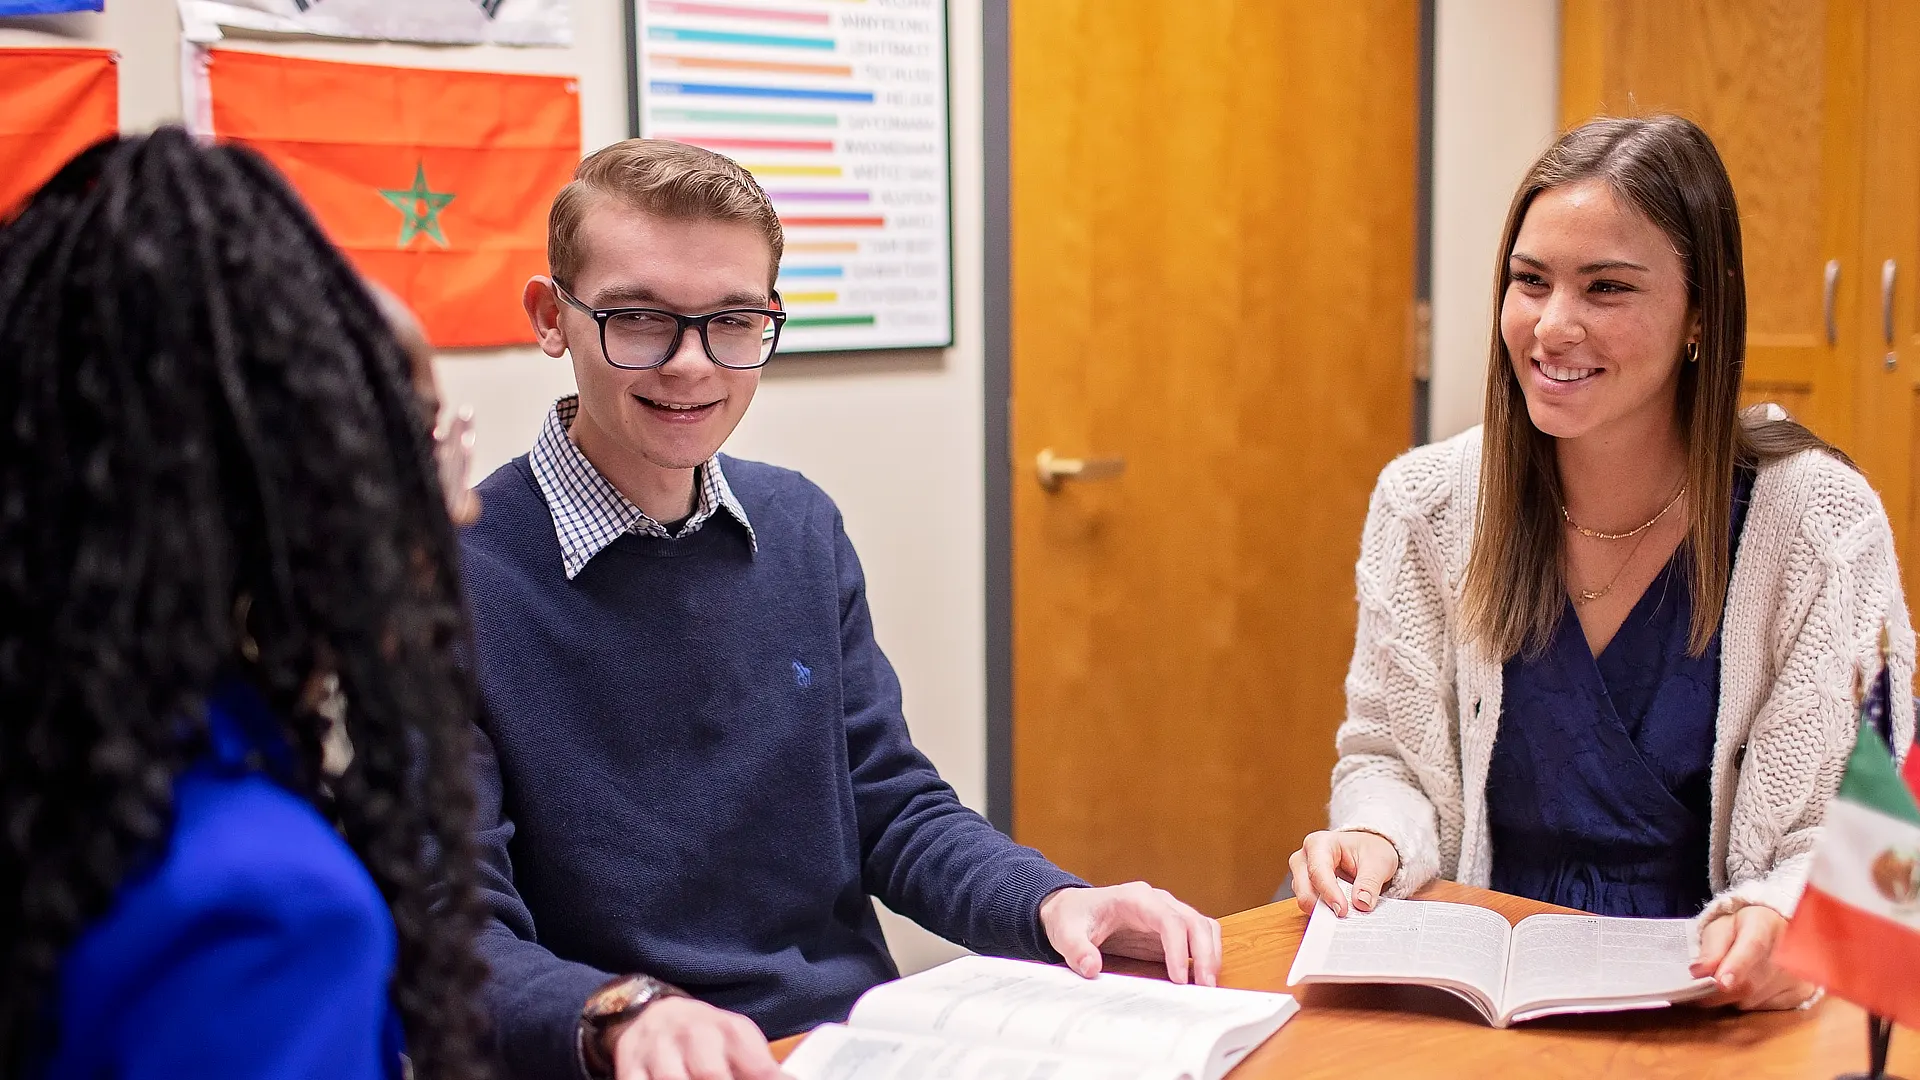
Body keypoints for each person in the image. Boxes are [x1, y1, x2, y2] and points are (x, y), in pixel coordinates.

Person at [461, 138, 1221, 1080]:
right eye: (641, 319)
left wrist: (1050, 904)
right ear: (552, 316)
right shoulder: (452, 579)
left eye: (733, 321)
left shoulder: (798, 526)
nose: (693, 366)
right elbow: (451, 928)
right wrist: (622, 1017)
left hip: (839, 1048)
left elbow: (889, 806)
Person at [1287, 115, 1916, 1011]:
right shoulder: (1424, 504)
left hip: (1712, 1004)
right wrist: (1374, 837)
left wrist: (1783, 918)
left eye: (1607, 288)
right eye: (1529, 282)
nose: (1552, 326)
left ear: (1703, 310)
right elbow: (1388, 757)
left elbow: (1861, 836)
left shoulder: (1818, 525)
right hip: (1474, 989)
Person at [0, 129, 493, 1078]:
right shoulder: (263, 906)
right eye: (424, 439)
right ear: (308, 482)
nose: (461, 504)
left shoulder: (65, 775)